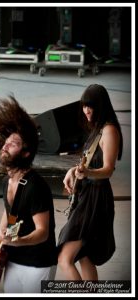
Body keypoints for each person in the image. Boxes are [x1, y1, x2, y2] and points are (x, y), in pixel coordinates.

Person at [0, 97, 57, 293]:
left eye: (13, 144)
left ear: (26, 153)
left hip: (38, 263)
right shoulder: (7, 181)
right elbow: (10, 213)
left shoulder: (35, 186)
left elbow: (42, 231)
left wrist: (17, 241)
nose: (5, 146)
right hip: (13, 259)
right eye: (6, 142)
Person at [57, 84, 123, 280]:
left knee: (64, 257)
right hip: (87, 196)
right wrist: (72, 171)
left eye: (90, 106)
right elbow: (86, 163)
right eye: (84, 106)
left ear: (100, 106)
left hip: (95, 200)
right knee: (85, 257)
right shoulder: (98, 129)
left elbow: (108, 170)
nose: (86, 110)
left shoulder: (109, 130)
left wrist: (88, 173)